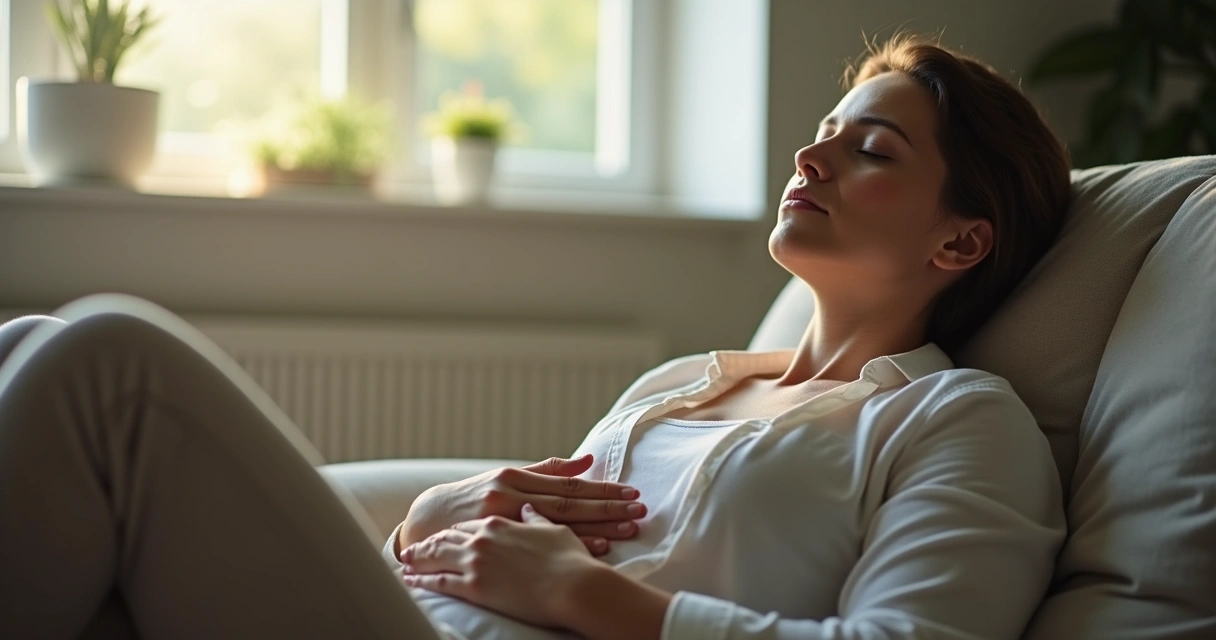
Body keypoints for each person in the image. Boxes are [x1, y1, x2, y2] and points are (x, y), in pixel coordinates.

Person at [0, 33, 1071, 640]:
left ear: (961, 242)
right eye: (823, 133)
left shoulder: (956, 422)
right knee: (33, 347)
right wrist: (440, 511)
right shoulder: (685, 384)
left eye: (869, 149)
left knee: (107, 364)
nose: (810, 157)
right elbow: (495, 541)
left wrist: (581, 594)